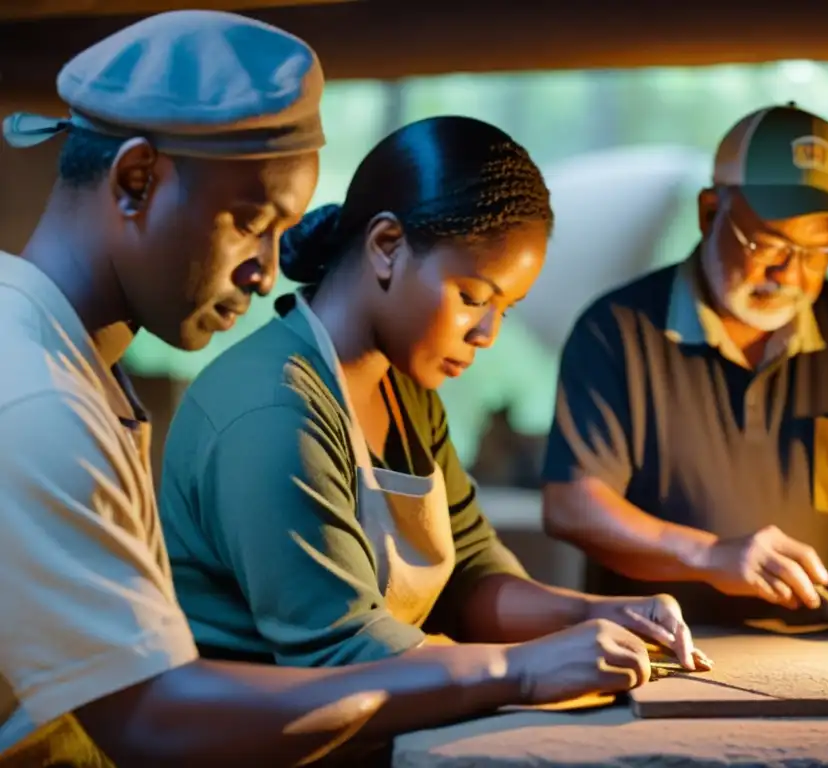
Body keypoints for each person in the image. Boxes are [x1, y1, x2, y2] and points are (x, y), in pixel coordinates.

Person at [0, 14, 651, 768]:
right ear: (137, 180)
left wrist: (588, 618)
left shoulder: (62, 357)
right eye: (247, 223)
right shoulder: (43, 396)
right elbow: (150, 715)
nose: (266, 271)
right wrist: (516, 667)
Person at [157, 115, 711, 690]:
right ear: (387, 246)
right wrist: (525, 667)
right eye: (473, 297)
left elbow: (469, 574)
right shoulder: (273, 411)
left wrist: (593, 614)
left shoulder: (406, 394)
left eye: (507, 309)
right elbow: (341, 653)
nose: (487, 333)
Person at [542, 103, 828, 634]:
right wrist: (711, 555)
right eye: (767, 244)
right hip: (654, 648)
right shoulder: (617, 331)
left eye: (818, 251)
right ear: (710, 212)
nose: (789, 272)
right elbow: (572, 505)